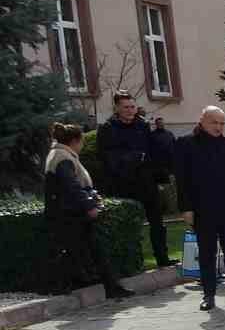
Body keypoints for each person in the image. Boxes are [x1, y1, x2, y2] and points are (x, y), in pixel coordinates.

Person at [175, 106, 225, 311]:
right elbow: (181, 180)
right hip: (202, 209)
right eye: (214, 122)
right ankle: (209, 295)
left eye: (221, 123)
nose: (218, 127)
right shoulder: (186, 143)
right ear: (202, 121)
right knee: (207, 254)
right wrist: (186, 208)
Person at [43, 122, 133, 300]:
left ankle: (108, 286)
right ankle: (62, 285)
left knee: (88, 250)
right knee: (82, 250)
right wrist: (89, 205)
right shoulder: (63, 158)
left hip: (70, 212)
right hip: (71, 214)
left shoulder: (61, 155)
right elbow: (72, 186)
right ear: (75, 140)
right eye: (81, 141)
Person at [99, 91, 173, 267]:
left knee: (157, 222)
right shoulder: (108, 128)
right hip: (123, 182)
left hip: (146, 181)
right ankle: (132, 262)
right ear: (117, 107)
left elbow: (153, 153)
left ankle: (163, 258)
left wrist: (160, 176)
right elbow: (105, 157)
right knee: (128, 225)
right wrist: (133, 158)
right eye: (126, 107)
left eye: (132, 107)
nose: (130, 111)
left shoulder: (143, 125)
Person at [148, 116, 176, 186]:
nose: (161, 124)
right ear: (156, 124)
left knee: (171, 183)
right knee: (160, 184)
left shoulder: (169, 133)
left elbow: (174, 145)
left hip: (170, 162)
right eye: (159, 123)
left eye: (162, 123)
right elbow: (149, 149)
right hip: (158, 164)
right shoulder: (152, 135)